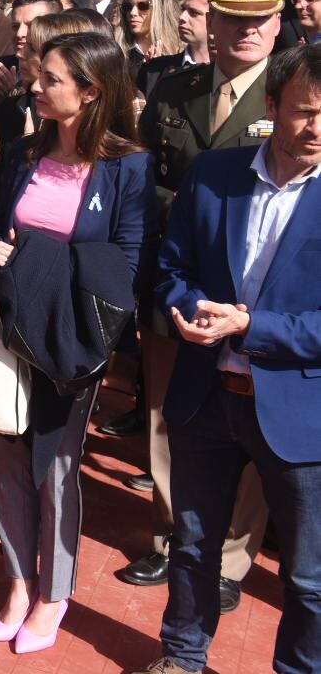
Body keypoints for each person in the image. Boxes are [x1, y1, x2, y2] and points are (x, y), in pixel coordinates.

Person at [0, 32, 154, 655]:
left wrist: (28, 258)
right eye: (36, 76)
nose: (35, 87)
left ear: (91, 91)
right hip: (8, 326)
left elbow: (123, 265)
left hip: (73, 337)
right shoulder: (21, 155)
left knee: (58, 469)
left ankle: (55, 593)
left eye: (50, 79)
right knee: (8, 460)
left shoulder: (128, 167)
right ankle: (19, 584)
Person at [136, 43, 321, 674]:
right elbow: (172, 268)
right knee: (191, 545)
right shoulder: (214, 174)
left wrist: (251, 326)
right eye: (304, 112)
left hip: (300, 412)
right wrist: (188, 312)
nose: (317, 128)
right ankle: (182, 658)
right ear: (272, 107)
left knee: (309, 576)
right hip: (205, 396)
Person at [124, 0, 291, 605]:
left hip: (257, 288)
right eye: (233, 19)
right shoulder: (175, 88)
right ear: (211, 23)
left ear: (277, 25)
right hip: (180, 277)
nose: (246, 31)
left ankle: (231, 558)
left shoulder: (294, 90)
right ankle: (174, 537)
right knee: (169, 412)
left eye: (259, 21)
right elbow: (143, 174)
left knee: (251, 420)